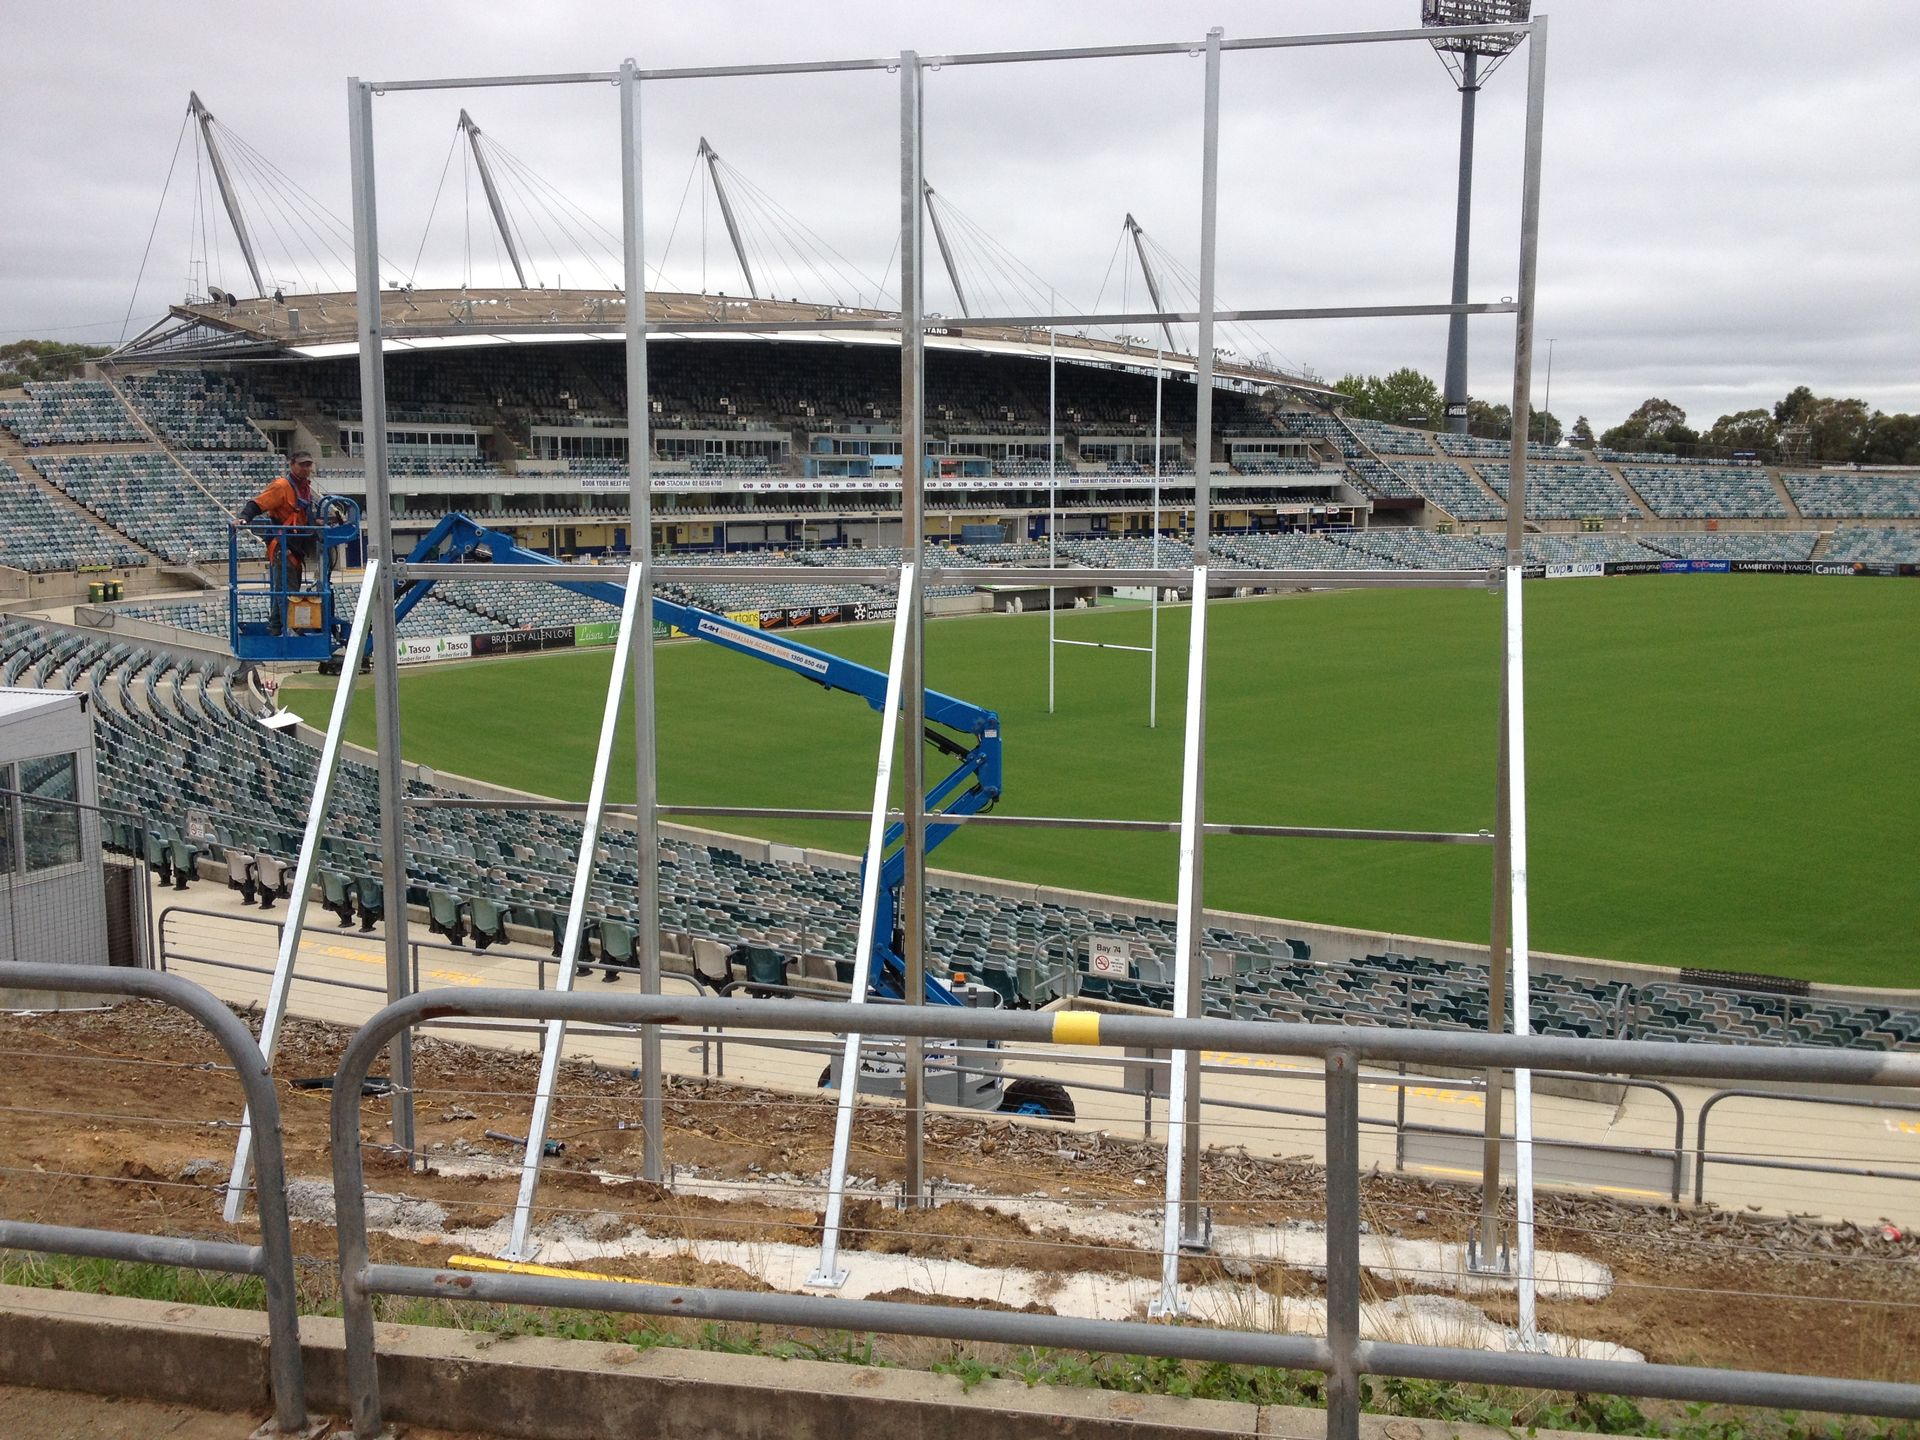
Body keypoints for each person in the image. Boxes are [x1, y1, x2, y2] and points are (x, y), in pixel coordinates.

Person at [239, 452, 319, 634]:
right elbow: (258, 503)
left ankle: (275, 628)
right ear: (292, 465)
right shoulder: (282, 486)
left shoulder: (304, 487)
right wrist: (245, 517)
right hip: (284, 545)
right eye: (301, 465)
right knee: (287, 592)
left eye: (308, 465)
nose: (306, 469)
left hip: (296, 545)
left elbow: (302, 515)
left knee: (283, 589)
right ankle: (294, 630)